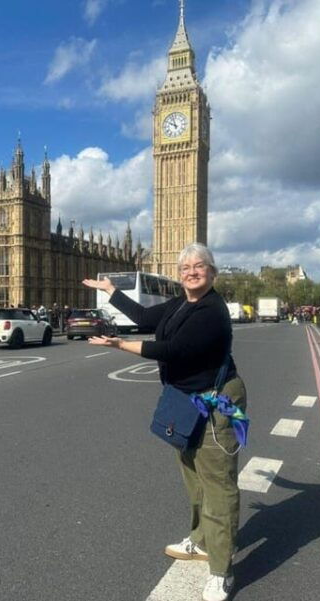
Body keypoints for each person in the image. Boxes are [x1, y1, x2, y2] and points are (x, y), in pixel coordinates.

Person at [82, 242, 245, 601]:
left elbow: (173, 350)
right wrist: (112, 291)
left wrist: (118, 346)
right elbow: (144, 319)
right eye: (185, 266)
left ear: (212, 272)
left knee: (218, 484)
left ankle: (221, 570)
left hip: (216, 402)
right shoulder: (180, 304)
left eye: (199, 266)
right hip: (185, 398)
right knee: (193, 475)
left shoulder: (212, 311)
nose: (191, 271)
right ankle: (201, 539)